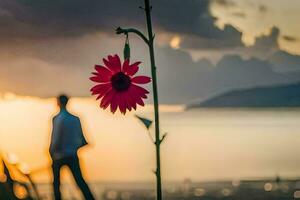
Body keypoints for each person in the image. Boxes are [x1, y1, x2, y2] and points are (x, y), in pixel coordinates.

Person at [49, 94, 95, 200]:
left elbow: (56, 138)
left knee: (56, 184)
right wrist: (74, 147)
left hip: (58, 156)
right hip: (73, 155)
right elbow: (83, 140)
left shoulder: (57, 118)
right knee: (80, 182)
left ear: (58, 103)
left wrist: (51, 152)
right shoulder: (75, 119)